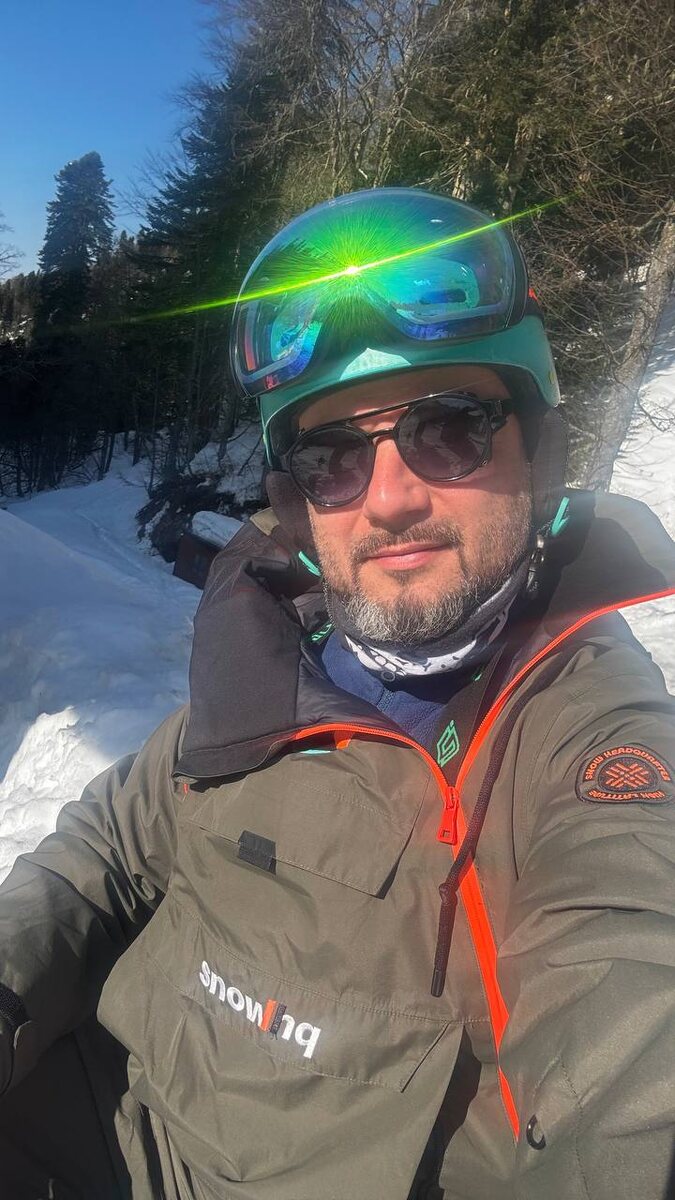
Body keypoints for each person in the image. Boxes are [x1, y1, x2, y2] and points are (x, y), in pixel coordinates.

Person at [1, 187, 674, 1200]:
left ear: (534, 453)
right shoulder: (272, 659)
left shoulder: (588, 747)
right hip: (95, 1123)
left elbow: (630, 1013)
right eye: (333, 458)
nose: (390, 497)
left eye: (451, 430)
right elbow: (105, 851)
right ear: (298, 500)